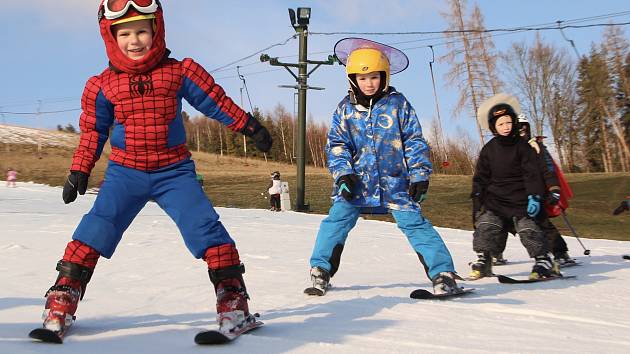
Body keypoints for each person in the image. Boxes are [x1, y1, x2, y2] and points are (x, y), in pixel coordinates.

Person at [35, 1, 272, 336]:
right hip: (124, 173)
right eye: (126, 33)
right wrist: (80, 170)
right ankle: (63, 297)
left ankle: (233, 303)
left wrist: (249, 126)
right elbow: (93, 130)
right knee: (97, 227)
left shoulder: (179, 72)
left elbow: (214, 100)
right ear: (111, 36)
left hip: (174, 172)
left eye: (142, 31)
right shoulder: (101, 85)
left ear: (156, 29)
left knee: (205, 228)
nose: (135, 41)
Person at [307, 38, 462, 296]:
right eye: (363, 78)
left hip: (396, 183)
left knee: (416, 224)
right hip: (357, 184)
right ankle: (320, 270)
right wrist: (343, 174)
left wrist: (420, 174)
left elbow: (413, 140)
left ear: (385, 76)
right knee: (336, 221)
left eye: (375, 78)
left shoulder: (398, 104)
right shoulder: (344, 110)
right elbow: (337, 144)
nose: (369, 84)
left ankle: (443, 273)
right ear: (352, 79)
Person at [470, 95, 560, 280]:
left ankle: (543, 260)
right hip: (496, 198)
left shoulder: (523, 147)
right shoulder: (489, 149)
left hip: (521, 198)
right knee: (487, 225)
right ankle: (484, 259)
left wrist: (534, 196)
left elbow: (532, 174)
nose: (506, 127)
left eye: (509, 122)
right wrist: (478, 193)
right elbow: (481, 175)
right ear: (494, 127)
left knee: (528, 228)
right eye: (501, 124)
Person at [491, 115, 576, 266]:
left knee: (540, 221)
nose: (522, 130)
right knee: (502, 221)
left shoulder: (535, 146)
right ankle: (494, 254)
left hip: (534, 192)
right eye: (519, 127)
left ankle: (560, 252)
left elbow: (548, 169)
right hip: (512, 193)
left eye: (525, 127)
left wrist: (553, 189)